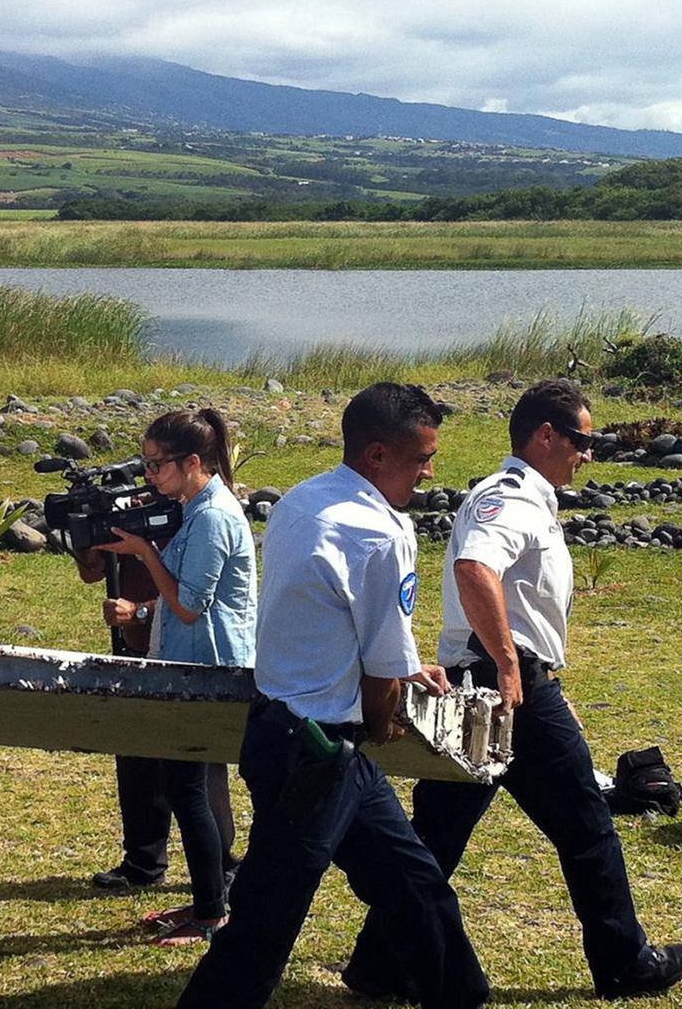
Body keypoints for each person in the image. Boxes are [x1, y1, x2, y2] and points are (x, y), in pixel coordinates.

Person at [343, 379, 682, 1003]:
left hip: (501, 679)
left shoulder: (533, 500)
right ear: (545, 436)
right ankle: (625, 961)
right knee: (586, 825)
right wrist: (510, 665)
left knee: (437, 836)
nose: (588, 454)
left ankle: (381, 962)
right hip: (506, 683)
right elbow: (474, 569)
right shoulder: (508, 499)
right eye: (582, 440)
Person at [178, 382, 489, 1009]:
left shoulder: (303, 499)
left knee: (414, 883)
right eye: (422, 457)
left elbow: (332, 618)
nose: (430, 473)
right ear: (377, 455)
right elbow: (379, 680)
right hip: (321, 749)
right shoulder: (381, 532)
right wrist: (387, 713)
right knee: (266, 918)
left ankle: (461, 994)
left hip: (283, 728)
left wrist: (400, 667)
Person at [93, 408, 257, 946]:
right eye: (146, 464)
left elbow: (189, 605)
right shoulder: (195, 506)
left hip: (208, 665)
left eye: (157, 465)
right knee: (183, 787)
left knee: (189, 791)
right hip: (189, 662)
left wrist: (144, 552)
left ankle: (212, 910)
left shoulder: (212, 516)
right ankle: (209, 900)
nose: (149, 476)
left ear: (192, 462)